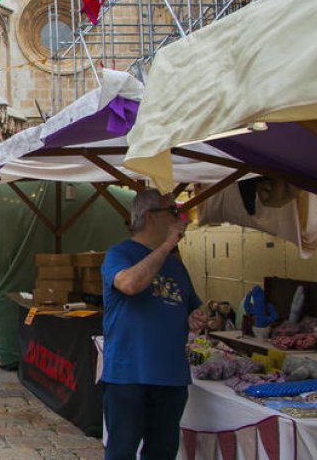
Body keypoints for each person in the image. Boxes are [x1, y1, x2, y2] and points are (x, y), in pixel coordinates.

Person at [101, 189, 208, 460]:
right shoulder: (120, 253)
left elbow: (193, 307)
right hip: (129, 375)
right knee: (121, 452)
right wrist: (166, 246)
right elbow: (130, 284)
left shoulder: (176, 266)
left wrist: (196, 317)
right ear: (150, 217)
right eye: (174, 211)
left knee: (162, 453)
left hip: (171, 377)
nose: (180, 217)